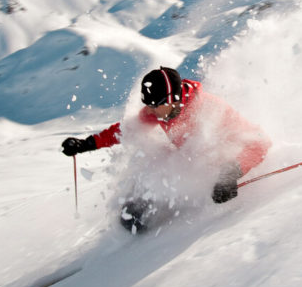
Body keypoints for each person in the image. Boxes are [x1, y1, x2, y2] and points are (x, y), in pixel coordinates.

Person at [61, 66, 271, 229]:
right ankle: (146, 203)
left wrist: (231, 173)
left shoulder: (211, 110)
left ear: (172, 98)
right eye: (149, 105)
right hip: (190, 163)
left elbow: (260, 142)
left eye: (156, 104)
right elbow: (128, 130)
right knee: (155, 155)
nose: (152, 110)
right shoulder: (159, 110)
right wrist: (87, 143)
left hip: (225, 169)